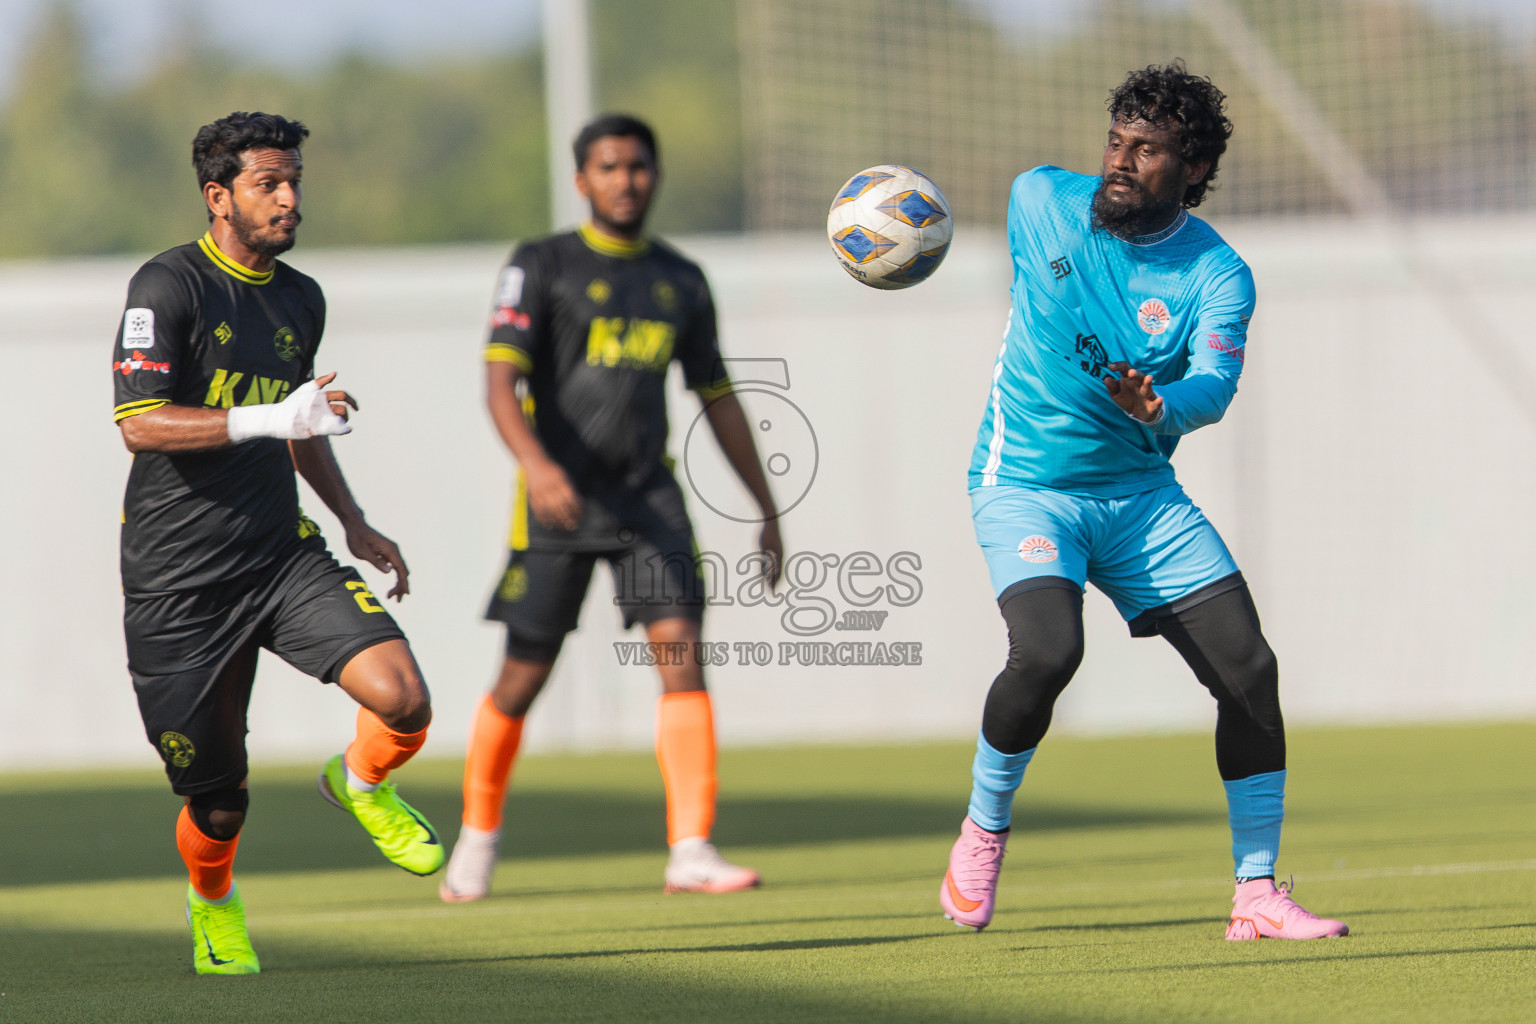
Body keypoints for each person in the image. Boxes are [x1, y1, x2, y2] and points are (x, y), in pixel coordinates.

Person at [940, 64, 1347, 940]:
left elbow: (1215, 384)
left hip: (1140, 498)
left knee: (1250, 673)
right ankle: (983, 828)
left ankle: (1256, 893)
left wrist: (1162, 407)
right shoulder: (1038, 200)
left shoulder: (1217, 273)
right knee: (1048, 653)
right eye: (1116, 141)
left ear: (1192, 170)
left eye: (1148, 149)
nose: (1120, 162)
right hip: (1027, 486)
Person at [114, 111, 444, 976]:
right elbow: (141, 427)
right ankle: (214, 904)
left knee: (403, 697)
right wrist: (273, 415)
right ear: (219, 196)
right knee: (219, 803)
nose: (290, 197)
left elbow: (301, 425)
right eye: (270, 184)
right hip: (179, 581)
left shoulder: (302, 297)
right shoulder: (167, 286)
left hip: (278, 555)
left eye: (294, 179)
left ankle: (362, 781)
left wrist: (352, 519)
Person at [440, 113, 782, 902]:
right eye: (609, 167)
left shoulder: (681, 279)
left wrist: (765, 506)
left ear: (655, 176)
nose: (625, 180)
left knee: (681, 651)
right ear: (581, 179)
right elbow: (500, 384)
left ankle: (691, 846)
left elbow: (718, 397)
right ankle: (478, 838)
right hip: (558, 504)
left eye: (638, 167)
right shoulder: (541, 265)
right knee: (522, 679)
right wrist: (537, 466)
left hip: (647, 499)